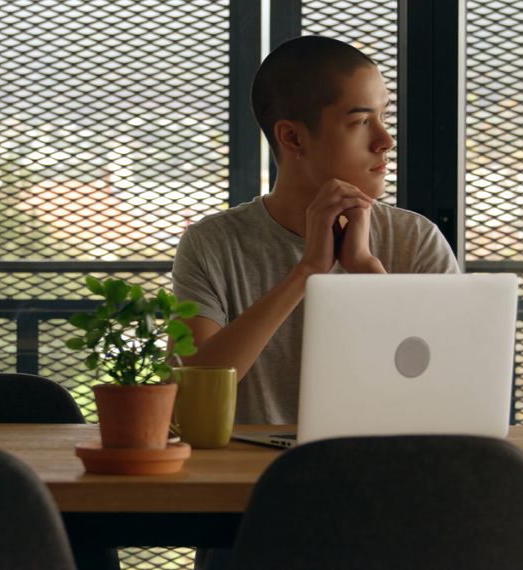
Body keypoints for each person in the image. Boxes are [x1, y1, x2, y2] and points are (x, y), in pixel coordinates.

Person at [171, 35, 459, 427]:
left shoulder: (416, 239)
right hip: (247, 480)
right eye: (360, 122)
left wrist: (364, 268)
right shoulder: (212, 244)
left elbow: (452, 383)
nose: (386, 140)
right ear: (292, 137)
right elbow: (191, 390)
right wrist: (306, 273)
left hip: (388, 469)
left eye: (383, 117)